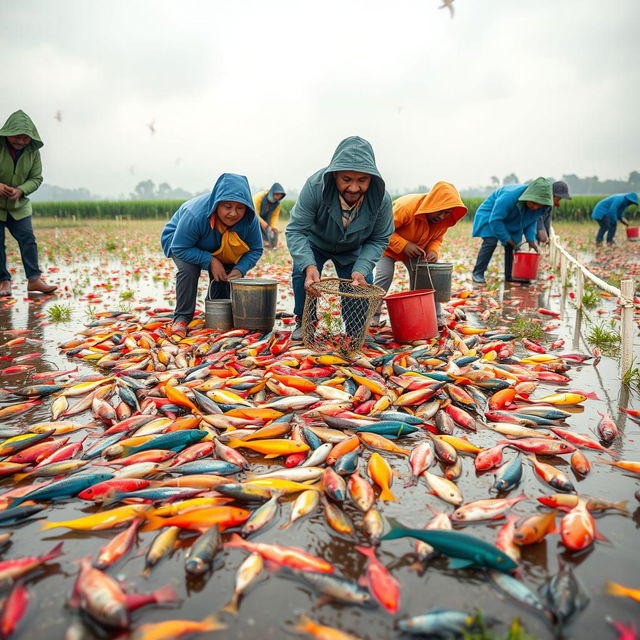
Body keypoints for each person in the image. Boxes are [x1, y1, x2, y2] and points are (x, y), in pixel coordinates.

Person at [286, 136, 394, 341]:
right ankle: (304, 322)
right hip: (316, 242)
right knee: (303, 276)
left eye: (362, 180)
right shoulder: (315, 187)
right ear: (334, 175)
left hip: (352, 247)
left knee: (362, 283)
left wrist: (361, 269)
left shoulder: (381, 200)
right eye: (346, 179)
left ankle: (355, 330)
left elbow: (379, 238)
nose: (354, 188)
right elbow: (296, 230)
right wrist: (309, 265)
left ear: (371, 179)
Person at [161, 172, 263, 339]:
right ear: (217, 204)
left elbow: (256, 249)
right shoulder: (195, 215)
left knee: (227, 272)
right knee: (189, 269)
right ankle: (182, 318)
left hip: (220, 244)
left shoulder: (249, 220)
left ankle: (216, 315)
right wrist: (209, 260)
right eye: (227, 207)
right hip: (181, 242)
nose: (233, 213)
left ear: (247, 207)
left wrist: (240, 268)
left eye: (240, 208)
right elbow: (180, 247)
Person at [373, 181, 467, 327]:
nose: (442, 216)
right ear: (432, 203)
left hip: (416, 251)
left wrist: (432, 251)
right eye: (439, 211)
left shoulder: (444, 221)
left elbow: (437, 238)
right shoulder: (406, 207)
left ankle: (434, 316)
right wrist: (404, 245)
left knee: (427, 279)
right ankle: (373, 317)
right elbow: (381, 230)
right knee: (384, 276)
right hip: (387, 247)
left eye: (447, 213)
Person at [0, 110, 57, 296]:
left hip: (19, 206)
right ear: (8, 133)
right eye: (17, 137)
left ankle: (34, 280)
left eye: (25, 138)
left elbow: (36, 178)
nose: (21, 141)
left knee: (28, 240)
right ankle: (3, 282)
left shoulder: (32, 151)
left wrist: (21, 190)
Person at [471, 177, 553, 284]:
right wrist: (507, 238)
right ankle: (478, 273)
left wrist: (530, 240)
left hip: (513, 218)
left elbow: (530, 221)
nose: (535, 207)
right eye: (533, 203)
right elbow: (495, 220)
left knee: (512, 245)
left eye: (539, 205)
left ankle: (510, 276)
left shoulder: (539, 208)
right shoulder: (509, 196)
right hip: (491, 215)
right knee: (490, 241)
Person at [253, 183, 286, 249]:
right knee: (257, 228)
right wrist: (264, 224)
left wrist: (273, 227)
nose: (277, 198)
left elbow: (274, 216)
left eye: (279, 196)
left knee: (271, 230)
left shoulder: (277, 204)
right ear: (272, 193)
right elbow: (254, 213)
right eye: (276, 194)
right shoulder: (259, 197)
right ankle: (257, 243)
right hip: (253, 217)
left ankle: (270, 245)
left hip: (266, 217)